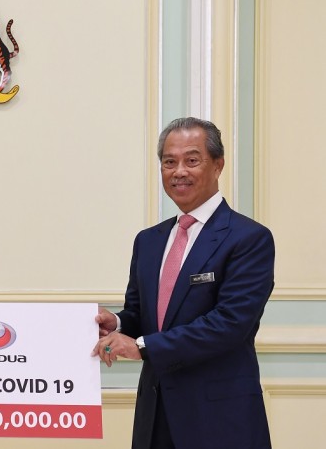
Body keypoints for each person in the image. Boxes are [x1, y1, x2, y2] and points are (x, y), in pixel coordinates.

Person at [93, 117, 274, 449]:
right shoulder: (148, 241)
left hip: (219, 418)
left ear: (218, 165)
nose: (179, 171)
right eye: (169, 162)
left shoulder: (249, 238)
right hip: (154, 413)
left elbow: (230, 324)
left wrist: (142, 347)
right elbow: (144, 314)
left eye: (192, 160)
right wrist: (116, 323)